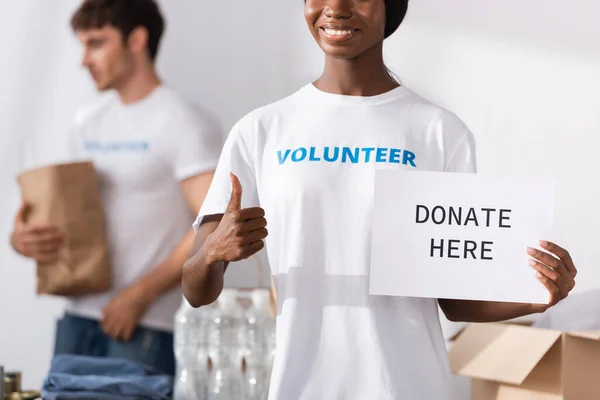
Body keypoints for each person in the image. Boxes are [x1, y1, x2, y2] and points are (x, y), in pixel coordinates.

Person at [182, 0, 577, 398]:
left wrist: (535, 295)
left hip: (408, 385)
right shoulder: (260, 130)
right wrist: (212, 253)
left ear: (391, 7)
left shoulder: (439, 131)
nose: (334, 8)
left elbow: (454, 300)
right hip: (302, 386)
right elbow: (196, 291)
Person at [10, 0, 223, 376]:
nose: (83, 59)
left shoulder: (183, 121)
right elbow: (76, 214)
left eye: (96, 43)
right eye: (83, 45)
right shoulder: (87, 122)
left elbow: (214, 224)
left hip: (146, 325)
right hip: (77, 318)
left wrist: (141, 295)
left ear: (137, 40)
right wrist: (22, 237)